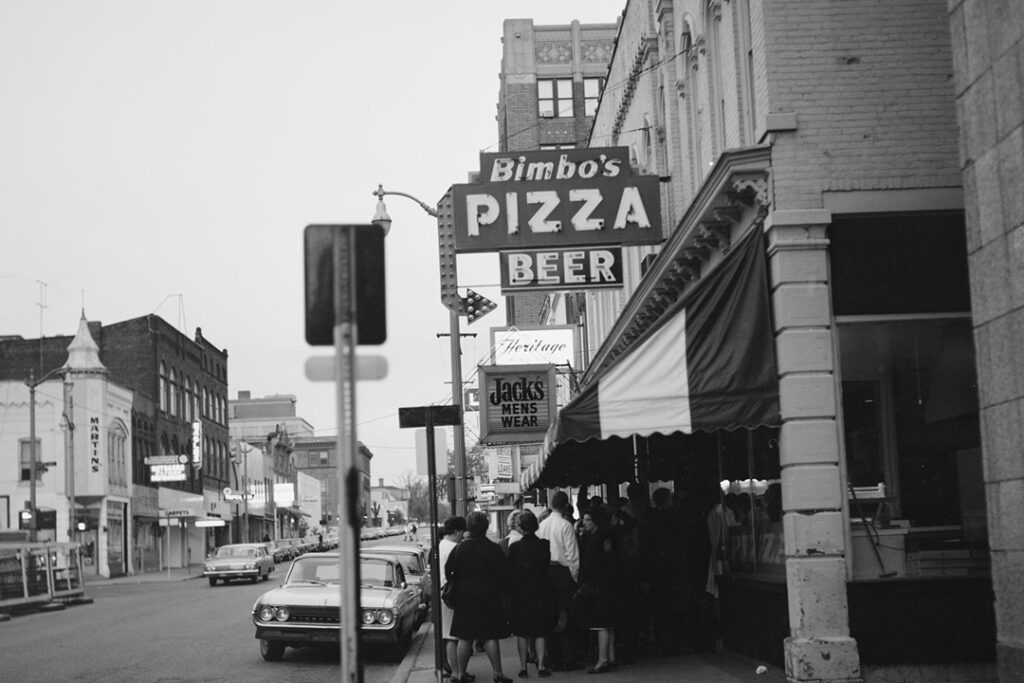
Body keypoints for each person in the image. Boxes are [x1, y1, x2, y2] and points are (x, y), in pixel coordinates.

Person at [446, 510, 512, 683]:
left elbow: (449, 571)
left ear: (469, 527)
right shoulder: (494, 548)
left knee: (464, 636)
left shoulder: (460, 548)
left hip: (465, 598)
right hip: (489, 597)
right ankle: (498, 673)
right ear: (486, 527)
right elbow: (504, 575)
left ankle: (460, 673)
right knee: (490, 635)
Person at [507, 510, 555, 678]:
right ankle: (541, 665)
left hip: (520, 594)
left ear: (521, 527)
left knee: (522, 632)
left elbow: (509, 571)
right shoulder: (544, 545)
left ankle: (523, 666)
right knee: (540, 630)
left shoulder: (514, 548)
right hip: (540, 591)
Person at [536, 490, 579, 670]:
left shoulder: (542, 525)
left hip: (546, 572)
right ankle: (567, 657)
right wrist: (574, 577)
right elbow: (572, 554)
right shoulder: (566, 525)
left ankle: (552, 657)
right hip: (563, 572)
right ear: (565, 504)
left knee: (551, 615)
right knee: (566, 615)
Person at [576, 506, 618, 673]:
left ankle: (603, 660)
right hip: (608, 584)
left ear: (594, 521)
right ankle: (611, 656)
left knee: (600, 624)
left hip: (598, 584)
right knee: (608, 624)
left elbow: (591, 563)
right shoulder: (606, 536)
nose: (584, 523)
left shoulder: (596, 539)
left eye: (587, 520)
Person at [438, 516, 470, 681]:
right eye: (462, 531)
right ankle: (457, 672)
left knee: (448, 634)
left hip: (443, 593)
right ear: (457, 531)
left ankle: (453, 669)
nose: (464, 535)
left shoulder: (440, 545)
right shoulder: (455, 548)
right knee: (455, 636)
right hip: (453, 594)